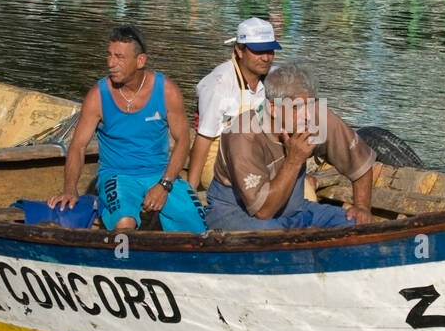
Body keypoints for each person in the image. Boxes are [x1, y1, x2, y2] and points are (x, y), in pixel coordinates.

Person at [48, 26, 206, 232]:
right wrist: (70, 189)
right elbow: (78, 146)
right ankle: (124, 260)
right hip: (118, 176)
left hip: (160, 174)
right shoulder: (98, 95)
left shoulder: (167, 90)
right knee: (125, 223)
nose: (111, 63)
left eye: (119, 57)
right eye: (109, 55)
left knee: (197, 225)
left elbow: (183, 140)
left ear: (140, 61)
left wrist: (164, 184)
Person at [205, 62, 374, 231]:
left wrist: (362, 207)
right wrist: (294, 160)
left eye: (311, 104)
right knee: (273, 237)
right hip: (236, 212)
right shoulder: (243, 135)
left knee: (355, 225)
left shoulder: (316, 117)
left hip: (295, 209)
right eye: (297, 107)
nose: (307, 115)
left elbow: (360, 161)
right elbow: (263, 212)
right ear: (272, 107)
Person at [187, 17, 278, 191]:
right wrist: (191, 189)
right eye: (258, 52)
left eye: (270, 51)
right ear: (239, 50)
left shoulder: (276, 77)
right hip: (219, 157)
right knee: (255, 190)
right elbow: (204, 138)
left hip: (258, 153)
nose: (266, 58)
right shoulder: (218, 83)